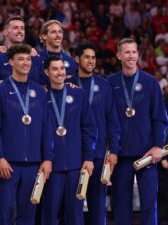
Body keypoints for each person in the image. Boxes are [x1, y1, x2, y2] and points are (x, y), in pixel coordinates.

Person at [0, 43, 54, 224]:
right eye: (20, 59)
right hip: (7, 164)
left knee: (28, 215)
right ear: (11, 62)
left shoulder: (39, 92)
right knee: (5, 214)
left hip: (34, 164)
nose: (26, 63)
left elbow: (46, 127)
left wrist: (47, 158)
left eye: (28, 59)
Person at [108, 38, 168, 225]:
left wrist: (158, 146)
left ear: (138, 54)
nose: (131, 56)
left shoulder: (150, 82)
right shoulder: (110, 83)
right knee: (121, 206)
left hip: (147, 155)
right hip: (121, 155)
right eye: (127, 52)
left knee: (150, 204)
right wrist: (111, 151)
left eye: (134, 52)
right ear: (119, 55)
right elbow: (106, 118)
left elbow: (159, 117)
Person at [68, 42, 120, 225]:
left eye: (93, 57)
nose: (91, 61)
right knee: (73, 209)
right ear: (77, 58)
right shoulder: (67, 84)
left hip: (99, 156)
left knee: (98, 209)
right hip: (72, 157)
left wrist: (114, 151)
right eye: (86, 57)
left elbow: (113, 121)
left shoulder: (104, 86)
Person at [42, 56, 97, 225]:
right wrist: (46, 158)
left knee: (76, 215)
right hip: (52, 165)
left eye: (62, 69)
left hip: (75, 164)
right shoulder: (41, 96)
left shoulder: (78, 94)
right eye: (55, 69)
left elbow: (89, 128)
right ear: (46, 72)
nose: (60, 73)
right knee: (50, 214)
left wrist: (88, 157)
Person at [0, 16, 43, 88]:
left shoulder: (34, 58)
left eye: (22, 28)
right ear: (5, 32)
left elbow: (43, 88)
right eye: (15, 28)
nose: (20, 31)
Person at [38, 20, 77, 87]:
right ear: (44, 36)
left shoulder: (71, 61)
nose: (58, 35)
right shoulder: (36, 58)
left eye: (60, 32)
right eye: (54, 32)